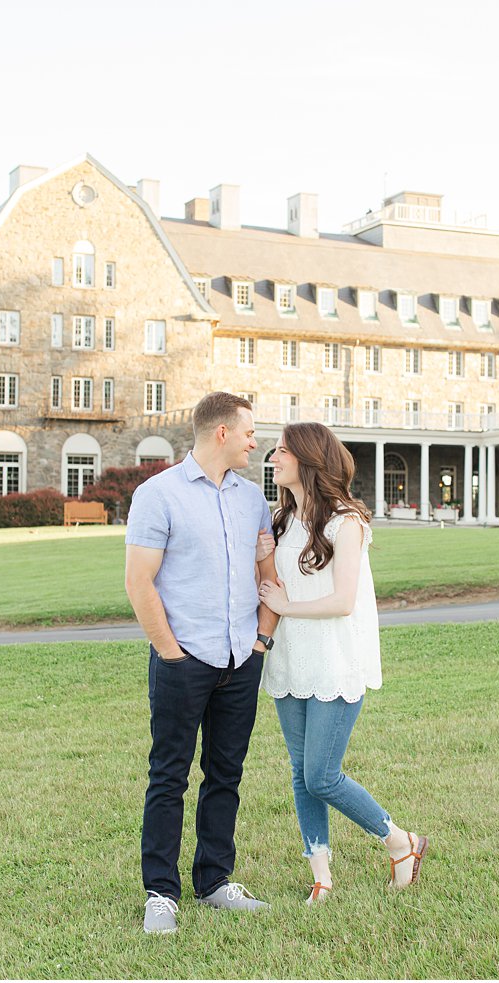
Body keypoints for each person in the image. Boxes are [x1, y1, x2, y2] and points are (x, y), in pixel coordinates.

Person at [124, 392, 280, 935]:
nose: (255, 441)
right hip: (182, 659)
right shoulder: (157, 495)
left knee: (226, 774)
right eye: (249, 432)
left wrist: (261, 642)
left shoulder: (252, 500)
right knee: (168, 776)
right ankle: (160, 893)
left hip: (242, 658)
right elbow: (138, 581)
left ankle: (214, 881)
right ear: (221, 433)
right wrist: (170, 651)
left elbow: (268, 575)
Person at [257, 422, 429, 905]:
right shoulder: (280, 519)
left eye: (282, 451)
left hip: (335, 660)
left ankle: (401, 842)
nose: (273, 458)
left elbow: (342, 599)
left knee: (321, 774)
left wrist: (286, 606)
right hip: (290, 660)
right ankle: (322, 875)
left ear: (309, 459)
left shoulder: (346, 521)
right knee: (299, 771)